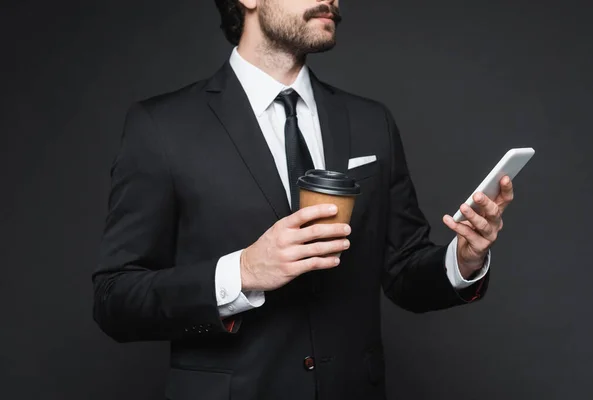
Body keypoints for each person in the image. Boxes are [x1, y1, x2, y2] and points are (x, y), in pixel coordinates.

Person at [92, 0, 514, 399]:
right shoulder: (162, 127)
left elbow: (404, 269)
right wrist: (242, 272)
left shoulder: (371, 121)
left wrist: (464, 260)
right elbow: (115, 299)